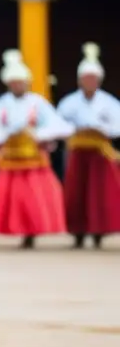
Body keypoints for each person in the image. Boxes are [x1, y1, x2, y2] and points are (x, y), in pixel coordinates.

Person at [0, 49, 71, 249]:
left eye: (19, 82)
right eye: (13, 82)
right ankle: (17, 229)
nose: (16, 85)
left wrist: (38, 134)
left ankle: (32, 232)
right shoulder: (2, 104)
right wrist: (4, 134)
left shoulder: (37, 103)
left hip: (33, 161)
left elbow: (60, 125)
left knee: (33, 198)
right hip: (11, 160)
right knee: (13, 199)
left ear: (27, 82)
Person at [56, 43, 120, 249]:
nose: (89, 82)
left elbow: (117, 126)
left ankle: (99, 232)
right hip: (77, 152)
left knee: (99, 193)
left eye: (92, 78)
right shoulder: (69, 102)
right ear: (79, 80)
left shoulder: (110, 103)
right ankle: (77, 233)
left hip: (100, 153)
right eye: (85, 78)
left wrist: (101, 129)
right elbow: (59, 124)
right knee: (77, 193)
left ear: (99, 80)